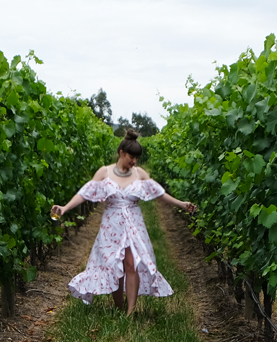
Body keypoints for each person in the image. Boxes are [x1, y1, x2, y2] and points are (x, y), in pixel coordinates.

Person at [50, 129, 197, 315]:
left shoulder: (139, 173)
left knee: (131, 263)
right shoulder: (105, 172)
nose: (134, 161)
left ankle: (130, 311)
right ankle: (119, 308)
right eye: (131, 156)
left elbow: (158, 193)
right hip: (112, 224)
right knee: (114, 264)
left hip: (133, 223)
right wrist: (65, 208)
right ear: (121, 153)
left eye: (136, 158)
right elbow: (85, 193)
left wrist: (181, 204)